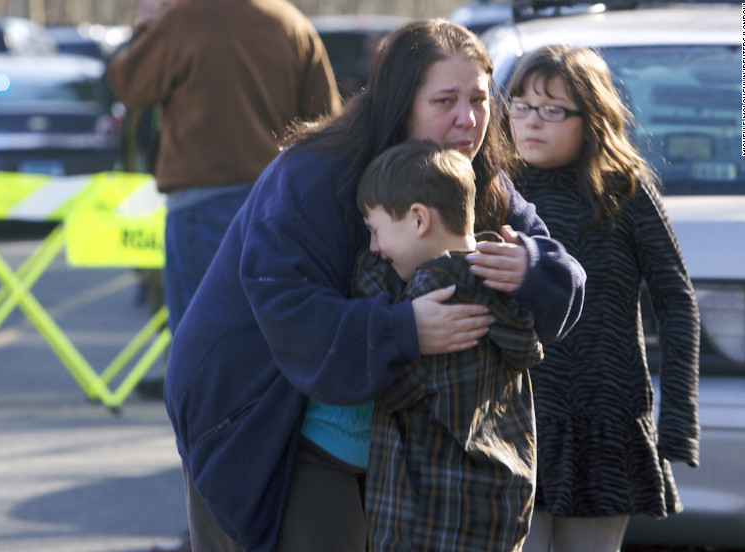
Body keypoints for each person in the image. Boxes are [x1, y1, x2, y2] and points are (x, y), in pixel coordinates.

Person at [164, 19, 586, 552]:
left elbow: (565, 281)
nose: (469, 119)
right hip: (257, 415)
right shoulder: (313, 174)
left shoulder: (474, 176)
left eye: (479, 99)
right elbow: (288, 307)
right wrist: (403, 330)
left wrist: (532, 266)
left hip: (391, 440)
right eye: (446, 100)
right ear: (399, 102)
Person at [504, 45, 700, 552]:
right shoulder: (497, 191)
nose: (531, 122)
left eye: (551, 110)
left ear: (592, 118)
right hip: (518, 419)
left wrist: (678, 418)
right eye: (520, 106)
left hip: (607, 423)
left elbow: (676, 299)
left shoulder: (626, 190)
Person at [105, 0, 342, 340]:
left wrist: (149, 24)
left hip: (201, 207)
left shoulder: (183, 18)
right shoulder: (291, 22)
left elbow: (128, 83)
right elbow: (327, 124)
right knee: (269, 343)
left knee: (200, 350)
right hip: (280, 208)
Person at [348, 139, 543, 551]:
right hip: (498, 510)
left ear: (419, 220)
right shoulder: (499, 280)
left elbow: (388, 386)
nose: (374, 248)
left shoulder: (437, 290)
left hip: (433, 521)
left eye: (375, 230)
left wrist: (380, 311)